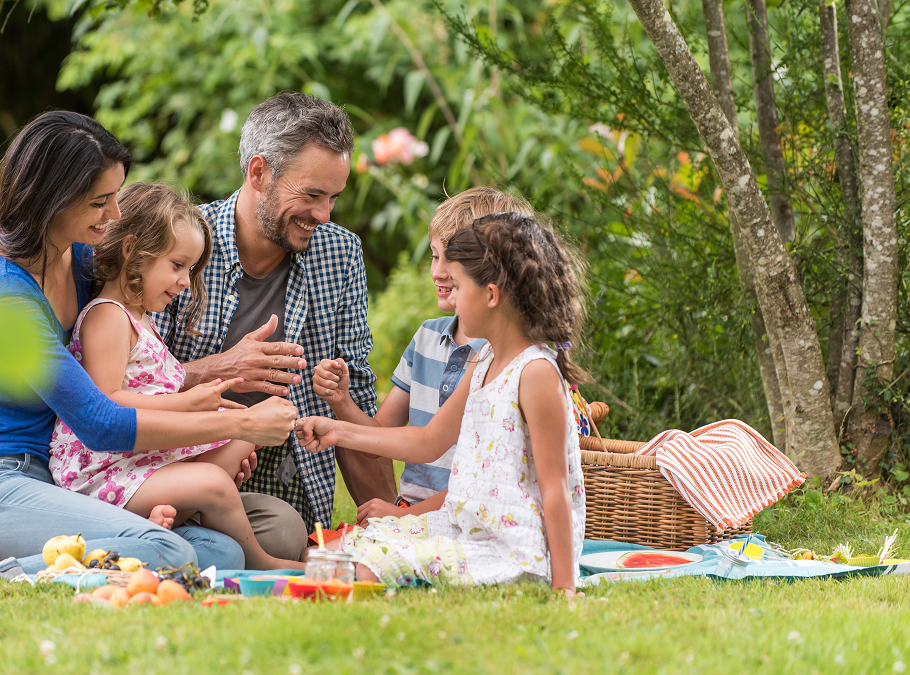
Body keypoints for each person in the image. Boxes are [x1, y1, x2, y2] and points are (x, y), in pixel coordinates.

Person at [0, 111, 298, 579]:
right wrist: (242, 423)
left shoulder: (79, 263)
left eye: (115, 198)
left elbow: (133, 366)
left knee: (222, 555)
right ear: (52, 201)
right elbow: (101, 423)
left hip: (57, 482)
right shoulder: (1, 293)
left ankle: (58, 552)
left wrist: (218, 374)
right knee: (167, 553)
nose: (115, 215)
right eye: (101, 201)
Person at [295, 212, 588, 599]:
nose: (451, 295)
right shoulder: (485, 361)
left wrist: (565, 586)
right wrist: (339, 431)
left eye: (460, 285)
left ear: (491, 295)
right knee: (330, 554)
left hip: (510, 553)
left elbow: (555, 489)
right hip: (461, 527)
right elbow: (428, 441)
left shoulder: (534, 373)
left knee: (355, 572)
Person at [151, 91, 394, 549]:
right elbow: (125, 389)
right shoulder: (178, 243)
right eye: (312, 195)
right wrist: (219, 370)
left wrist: (394, 527)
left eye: (333, 198)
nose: (323, 215)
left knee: (283, 533)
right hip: (170, 466)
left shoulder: (340, 254)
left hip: (282, 475)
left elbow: (356, 401)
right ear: (258, 173)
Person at [48, 182, 303, 570]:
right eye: (177, 266)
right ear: (132, 251)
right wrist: (187, 403)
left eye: (190, 269)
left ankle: (160, 522)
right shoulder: (107, 317)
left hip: (137, 462)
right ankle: (262, 561)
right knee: (215, 482)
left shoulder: (142, 320)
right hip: (102, 472)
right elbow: (106, 402)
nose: (186, 282)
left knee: (241, 438)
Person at [312, 187, 541, 526]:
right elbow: (381, 437)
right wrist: (341, 401)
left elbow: (485, 485)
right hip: (413, 511)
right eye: (435, 256)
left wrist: (402, 517)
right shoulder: (427, 339)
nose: (438, 272)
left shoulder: (505, 360)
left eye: (453, 261)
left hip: (468, 516)